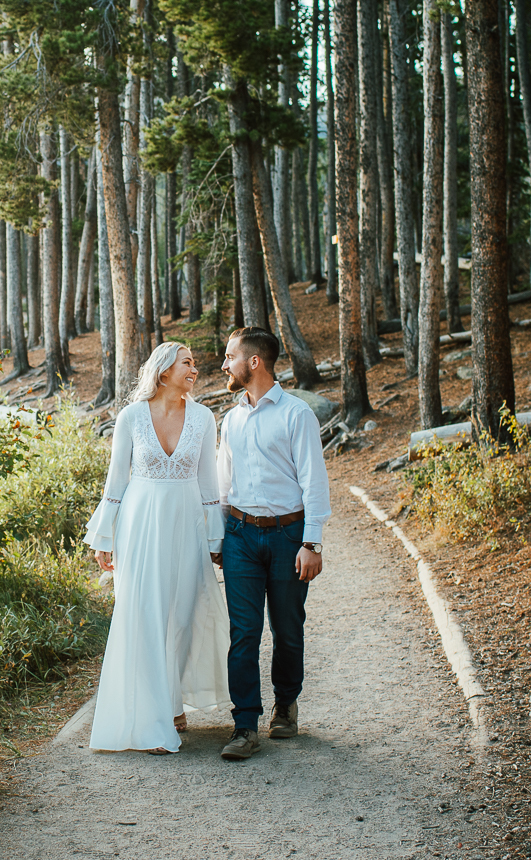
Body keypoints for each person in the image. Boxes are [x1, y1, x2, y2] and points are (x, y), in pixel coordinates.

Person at [84, 341, 229, 753]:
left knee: (182, 615)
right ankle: (151, 718)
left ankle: (171, 700)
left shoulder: (204, 418)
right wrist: (104, 538)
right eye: (187, 363)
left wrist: (215, 538)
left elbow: (208, 487)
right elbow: (115, 483)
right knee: (143, 613)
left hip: (185, 524)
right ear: (164, 371)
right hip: (139, 524)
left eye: (195, 364)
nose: (195, 370)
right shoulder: (130, 416)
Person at [214, 326, 331, 761]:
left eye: (230, 357)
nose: (225, 365)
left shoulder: (296, 414)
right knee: (243, 633)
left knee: (287, 629)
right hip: (241, 536)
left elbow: (313, 482)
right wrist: (218, 537)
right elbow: (223, 486)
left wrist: (312, 544)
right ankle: (244, 724)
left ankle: (285, 704)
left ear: (254, 362)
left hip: (287, 536)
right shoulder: (232, 418)